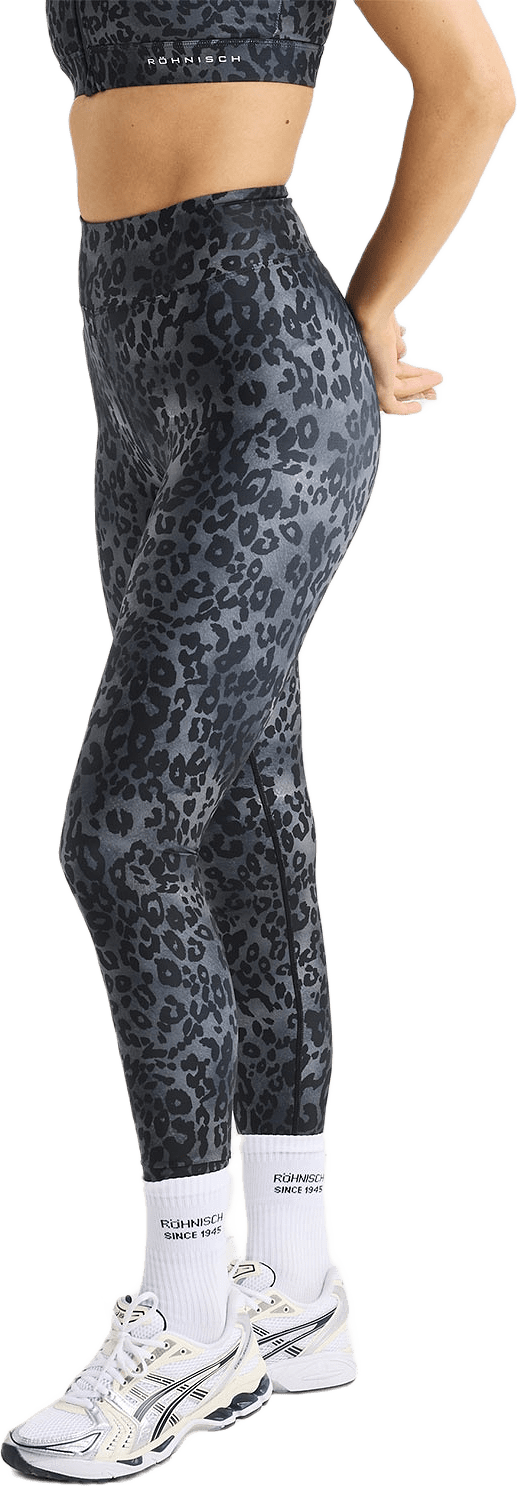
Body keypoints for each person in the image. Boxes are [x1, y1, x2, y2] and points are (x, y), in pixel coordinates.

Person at [2, 1, 514, 1482]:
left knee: (122, 834)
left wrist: (373, 304)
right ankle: (295, 1278)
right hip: (127, 370)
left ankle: (188, 1311)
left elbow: (475, 82)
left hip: (264, 370)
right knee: (242, 814)